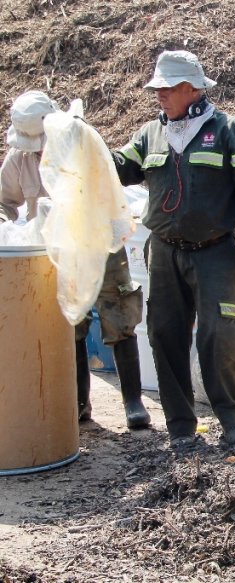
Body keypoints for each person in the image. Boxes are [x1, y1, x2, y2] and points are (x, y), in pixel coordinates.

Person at [112, 50, 235, 450]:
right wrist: (83, 145)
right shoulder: (150, 133)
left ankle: (234, 421)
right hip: (164, 252)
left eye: (166, 88)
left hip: (215, 252)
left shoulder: (229, 130)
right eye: (158, 88)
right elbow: (119, 167)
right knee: (165, 335)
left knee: (220, 335)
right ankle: (181, 428)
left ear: (191, 88)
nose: (159, 95)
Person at [0, 90, 151, 429]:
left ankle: (133, 402)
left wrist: (114, 235)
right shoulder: (19, 160)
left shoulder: (82, 142)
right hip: (56, 253)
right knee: (71, 324)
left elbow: (112, 191)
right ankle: (80, 405)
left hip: (98, 243)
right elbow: (4, 201)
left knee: (119, 313)